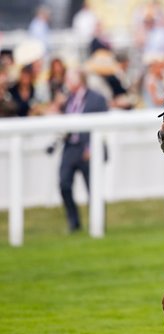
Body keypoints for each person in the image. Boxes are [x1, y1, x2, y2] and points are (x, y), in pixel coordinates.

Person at [58, 68, 109, 232]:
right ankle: (74, 223)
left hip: (87, 149)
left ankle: (98, 223)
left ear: (79, 80)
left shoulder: (97, 98)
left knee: (93, 189)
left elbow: (103, 126)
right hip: (70, 148)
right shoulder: (68, 99)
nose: (67, 82)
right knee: (64, 184)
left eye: (69, 78)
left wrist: (91, 148)